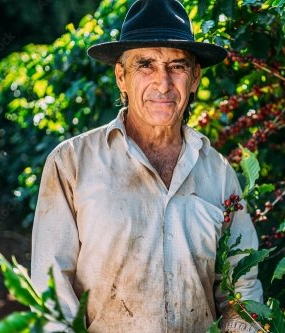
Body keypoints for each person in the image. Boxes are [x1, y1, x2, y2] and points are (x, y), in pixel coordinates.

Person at [30, 0, 263, 332]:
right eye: (146, 65)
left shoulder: (218, 172)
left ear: (195, 77)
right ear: (121, 77)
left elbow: (242, 285)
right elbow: (53, 291)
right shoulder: (71, 164)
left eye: (177, 66)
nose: (163, 83)